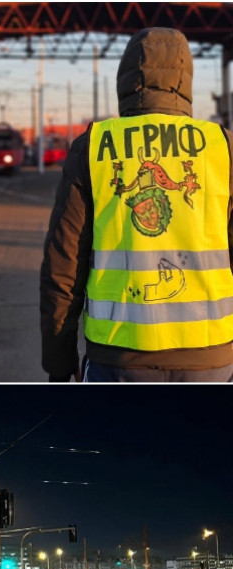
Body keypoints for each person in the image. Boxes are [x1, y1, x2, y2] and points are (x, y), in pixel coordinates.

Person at [41, 27, 233, 383]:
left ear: (125, 79)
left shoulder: (93, 146)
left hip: (117, 356)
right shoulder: (222, 147)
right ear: (185, 79)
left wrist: (59, 361)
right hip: (213, 357)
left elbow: (63, 264)